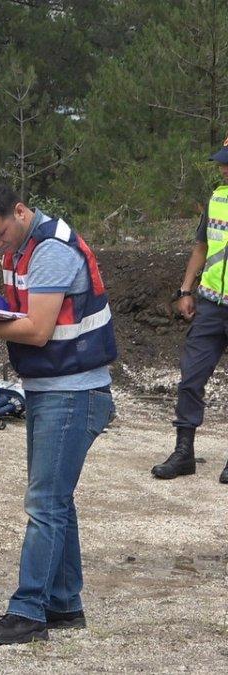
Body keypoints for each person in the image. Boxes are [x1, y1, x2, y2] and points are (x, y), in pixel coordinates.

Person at [0, 184, 116, 645]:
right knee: (57, 501)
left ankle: (28, 611)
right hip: (53, 388)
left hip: (73, 392)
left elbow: (36, 331)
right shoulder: (21, 244)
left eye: (0, 236)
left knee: (44, 505)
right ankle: (63, 603)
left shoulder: (51, 250)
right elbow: (26, 313)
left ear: (19, 212)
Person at [151, 140, 228, 483]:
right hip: (211, 304)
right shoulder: (217, 199)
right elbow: (201, 246)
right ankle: (184, 453)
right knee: (191, 377)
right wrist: (185, 289)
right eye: (222, 163)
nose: (223, 168)